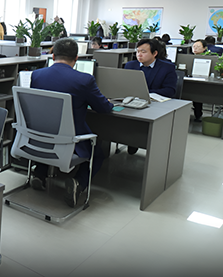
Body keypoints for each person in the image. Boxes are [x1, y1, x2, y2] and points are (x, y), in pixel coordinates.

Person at [30, 38, 114, 207]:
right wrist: (108, 102)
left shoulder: (37, 75)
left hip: (39, 136)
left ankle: (40, 173)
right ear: (76, 58)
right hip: (69, 140)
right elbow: (103, 108)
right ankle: (78, 182)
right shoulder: (85, 80)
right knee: (98, 152)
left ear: (53, 56)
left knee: (51, 129)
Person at [123, 39, 178, 154]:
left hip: (154, 106)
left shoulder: (167, 67)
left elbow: (170, 90)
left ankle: (136, 141)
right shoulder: (130, 65)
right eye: (138, 51)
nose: (139, 54)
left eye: (143, 51)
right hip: (131, 104)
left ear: (154, 53)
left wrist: (145, 93)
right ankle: (130, 140)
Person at [191, 40, 211, 122]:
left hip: (202, 83)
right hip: (191, 80)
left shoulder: (209, 58)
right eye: (194, 46)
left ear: (204, 48)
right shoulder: (188, 57)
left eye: (198, 47)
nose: (195, 48)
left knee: (197, 94)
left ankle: (198, 114)